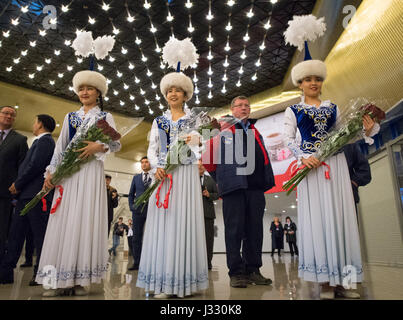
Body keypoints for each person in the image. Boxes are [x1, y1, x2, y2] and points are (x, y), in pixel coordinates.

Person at [283, 30, 379, 299]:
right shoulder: (294, 110)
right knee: (319, 222)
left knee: (342, 220)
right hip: (311, 171)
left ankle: (345, 281)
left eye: (317, 79)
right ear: (299, 84)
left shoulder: (334, 108)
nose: (313, 83)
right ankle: (324, 282)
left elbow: (347, 137)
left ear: (322, 82)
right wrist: (303, 157)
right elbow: (287, 139)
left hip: (336, 168)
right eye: (307, 79)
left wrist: (367, 130)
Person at [35, 70, 121, 297]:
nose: (84, 92)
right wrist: (51, 172)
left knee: (84, 221)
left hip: (91, 174)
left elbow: (115, 144)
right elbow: (60, 147)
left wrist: (98, 147)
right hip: (69, 176)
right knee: (63, 221)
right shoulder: (70, 118)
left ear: (98, 92)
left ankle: (80, 279)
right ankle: (56, 279)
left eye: (89, 88)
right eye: (81, 88)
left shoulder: (105, 117)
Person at [136, 68, 209, 299]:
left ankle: (184, 281)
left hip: (186, 174)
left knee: (183, 221)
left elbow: (201, 144)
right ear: (165, 94)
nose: (173, 93)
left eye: (178, 90)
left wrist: (193, 139)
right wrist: (158, 167)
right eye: (169, 90)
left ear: (186, 94)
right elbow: (152, 148)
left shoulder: (195, 118)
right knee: (164, 223)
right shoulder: (159, 120)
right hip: (164, 176)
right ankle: (165, 280)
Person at [203, 96, 276, 288]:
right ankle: (236, 272)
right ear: (232, 109)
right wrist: (223, 178)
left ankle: (253, 270)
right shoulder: (221, 127)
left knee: (255, 230)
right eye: (240, 106)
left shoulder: (254, 130)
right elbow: (208, 158)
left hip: (255, 186)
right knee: (234, 230)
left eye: (247, 106)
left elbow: (264, 157)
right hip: (233, 186)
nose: (244, 108)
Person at [0, 114, 55, 285]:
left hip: (36, 196)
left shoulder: (46, 142)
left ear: (40, 124)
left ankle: (41, 274)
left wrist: (18, 183)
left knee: (40, 236)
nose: (33, 124)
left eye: (35, 121)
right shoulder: (38, 141)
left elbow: (35, 166)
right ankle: (6, 273)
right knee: (15, 235)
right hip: (26, 195)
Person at [0, 106, 28, 262]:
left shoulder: (19, 140)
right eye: (5, 113)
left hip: (4, 194)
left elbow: (22, 166)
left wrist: (16, 187)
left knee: (2, 231)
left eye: (12, 115)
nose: (8, 116)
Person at [128, 156, 152, 271]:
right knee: (136, 237)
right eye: (142, 162)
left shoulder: (155, 176)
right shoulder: (136, 178)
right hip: (137, 211)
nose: (144, 164)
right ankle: (137, 262)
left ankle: (151, 262)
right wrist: (132, 207)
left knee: (152, 237)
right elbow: (131, 194)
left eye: (146, 162)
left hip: (152, 210)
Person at [198, 160, 219, 270]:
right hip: (194, 215)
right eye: (198, 165)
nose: (200, 167)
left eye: (202, 165)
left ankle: (208, 262)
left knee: (208, 239)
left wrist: (209, 194)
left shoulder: (211, 180)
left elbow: (217, 194)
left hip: (208, 214)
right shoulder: (190, 181)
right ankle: (196, 262)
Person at [342, 143, 372, 207]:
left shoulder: (348, 143)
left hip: (347, 199)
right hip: (321, 197)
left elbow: (365, 170)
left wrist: (352, 184)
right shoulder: (316, 145)